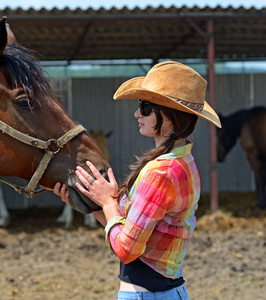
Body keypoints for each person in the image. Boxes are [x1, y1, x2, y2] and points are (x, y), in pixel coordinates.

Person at [47, 61, 221, 299]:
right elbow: (132, 228)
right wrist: (91, 203)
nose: (137, 113)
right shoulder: (183, 163)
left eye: (145, 107)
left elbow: (126, 250)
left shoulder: (159, 173)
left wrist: (108, 204)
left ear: (171, 115)